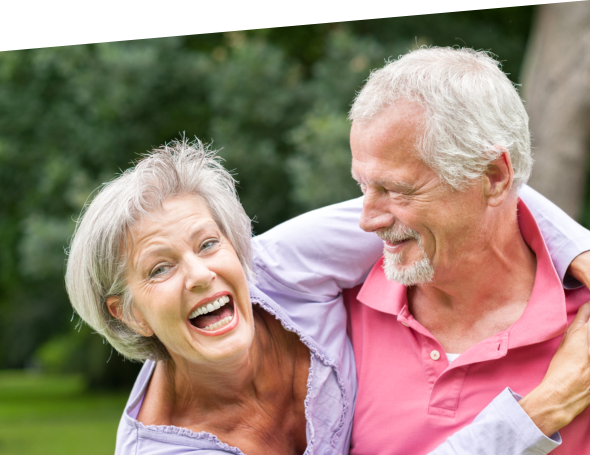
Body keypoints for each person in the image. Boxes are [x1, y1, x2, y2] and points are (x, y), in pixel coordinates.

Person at [67, 139, 590, 455]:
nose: (201, 275)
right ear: (130, 313)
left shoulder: (278, 268)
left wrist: (580, 255)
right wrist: (540, 411)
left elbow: (461, 195)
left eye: (208, 244)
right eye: (160, 268)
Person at [252, 47, 590, 454]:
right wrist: (539, 412)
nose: (367, 221)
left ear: (495, 176)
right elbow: (245, 265)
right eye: (364, 186)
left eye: (394, 190)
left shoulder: (581, 334)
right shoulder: (328, 309)